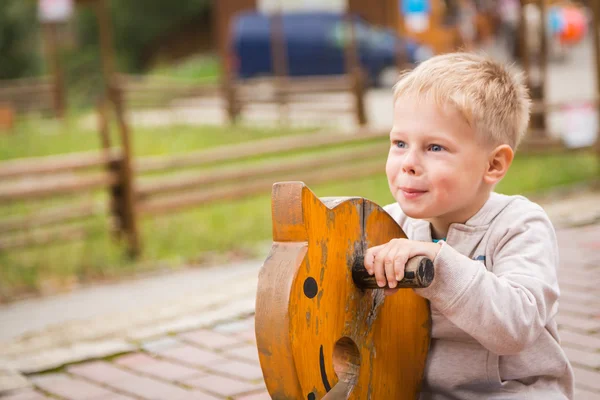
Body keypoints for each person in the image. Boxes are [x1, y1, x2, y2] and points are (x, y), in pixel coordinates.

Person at [363, 52, 574, 399]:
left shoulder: (520, 226)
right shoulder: (387, 225)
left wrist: (437, 262)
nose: (409, 163)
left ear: (493, 164)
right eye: (400, 144)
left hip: (516, 391)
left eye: (434, 147)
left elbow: (516, 327)